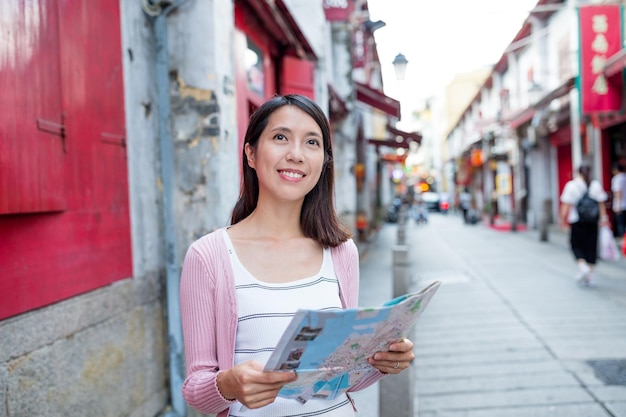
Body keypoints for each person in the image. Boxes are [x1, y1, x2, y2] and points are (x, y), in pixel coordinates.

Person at [179, 94, 416, 416]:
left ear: (324, 160)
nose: (296, 155)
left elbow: (342, 376)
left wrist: (382, 362)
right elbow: (196, 391)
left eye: (311, 143)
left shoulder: (341, 250)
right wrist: (229, 385)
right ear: (250, 152)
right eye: (280, 138)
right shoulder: (208, 257)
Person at [559, 162, 608, 286]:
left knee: (576, 244)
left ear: (578, 172)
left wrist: (562, 219)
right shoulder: (595, 184)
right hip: (593, 220)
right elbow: (601, 203)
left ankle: (582, 265)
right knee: (591, 245)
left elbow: (566, 204)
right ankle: (590, 274)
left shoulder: (571, 185)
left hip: (576, 220)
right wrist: (604, 218)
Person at [610, 162, 626, 240]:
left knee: (621, 225)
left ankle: (624, 243)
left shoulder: (617, 179)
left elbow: (618, 192)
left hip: (621, 205)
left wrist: (618, 206)